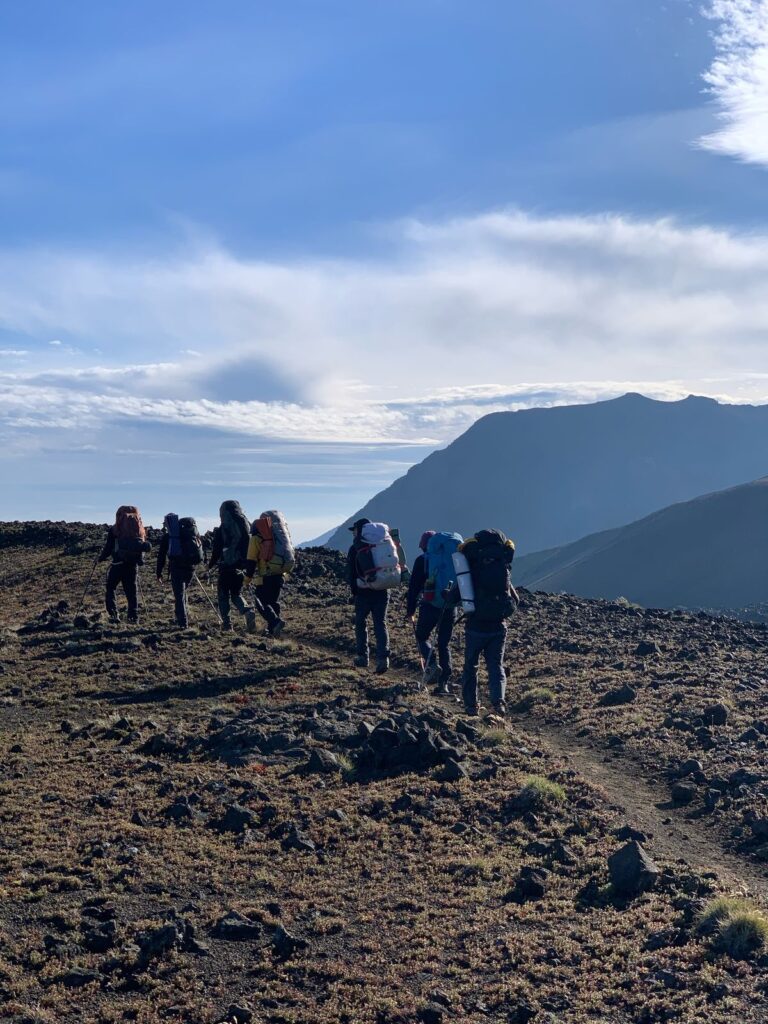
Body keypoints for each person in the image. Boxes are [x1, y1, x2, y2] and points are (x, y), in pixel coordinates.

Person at [451, 528, 517, 717]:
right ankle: (499, 703)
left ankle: (471, 706)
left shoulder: (472, 568)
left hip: (476, 625)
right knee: (496, 665)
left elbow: (456, 595)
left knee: (471, 666)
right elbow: (515, 599)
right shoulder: (503, 566)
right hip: (498, 625)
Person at [407, 530, 462, 695]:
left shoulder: (423, 560)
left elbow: (414, 588)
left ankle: (431, 664)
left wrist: (410, 610)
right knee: (444, 644)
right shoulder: (453, 559)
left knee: (421, 636)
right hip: (450, 605)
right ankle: (443, 683)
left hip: (430, 605)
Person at [347, 517, 391, 674]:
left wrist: (354, 592)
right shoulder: (382, 544)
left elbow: (351, 573)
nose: (353, 534)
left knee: (361, 623)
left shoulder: (356, 548)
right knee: (380, 623)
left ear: (360, 530)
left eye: (355, 531)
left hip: (363, 592)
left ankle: (363, 656)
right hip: (383, 590)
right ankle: (383, 658)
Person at [208, 500, 257, 633]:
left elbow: (217, 550)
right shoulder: (245, 524)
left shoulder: (222, 528)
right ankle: (246, 611)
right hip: (241, 566)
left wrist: (210, 565)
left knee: (223, 596)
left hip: (226, 567)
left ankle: (227, 625)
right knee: (236, 593)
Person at [97, 505, 151, 625]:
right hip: (132, 566)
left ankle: (114, 615)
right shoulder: (140, 530)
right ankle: (133, 618)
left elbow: (108, 547)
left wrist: (100, 558)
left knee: (111, 588)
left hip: (117, 564)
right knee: (132, 592)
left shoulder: (115, 529)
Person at [244, 510, 294, 638]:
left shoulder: (256, 538)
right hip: (280, 573)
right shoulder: (278, 537)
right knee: (273, 602)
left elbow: (251, 561)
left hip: (266, 575)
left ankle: (275, 622)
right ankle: (273, 630)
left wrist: (247, 579)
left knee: (261, 602)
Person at [156, 514, 203, 629]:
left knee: (179, 594)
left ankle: (183, 623)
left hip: (177, 568)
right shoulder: (193, 535)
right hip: (190, 568)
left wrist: (159, 572)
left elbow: (161, 556)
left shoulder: (169, 537)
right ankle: (181, 616)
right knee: (183, 592)